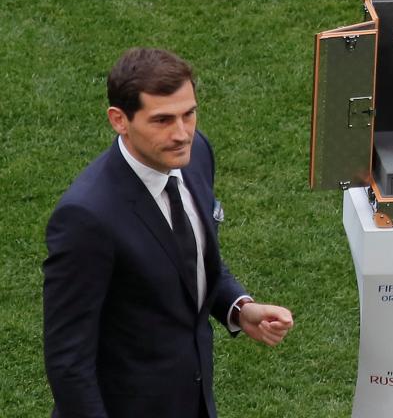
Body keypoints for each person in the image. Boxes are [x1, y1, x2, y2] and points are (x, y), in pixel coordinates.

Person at [43, 48, 294, 418]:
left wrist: (239, 308)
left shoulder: (196, 157)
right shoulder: (86, 217)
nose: (181, 134)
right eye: (162, 120)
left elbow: (189, 258)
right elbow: (68, 357)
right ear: (119, 120)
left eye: (188, 114)